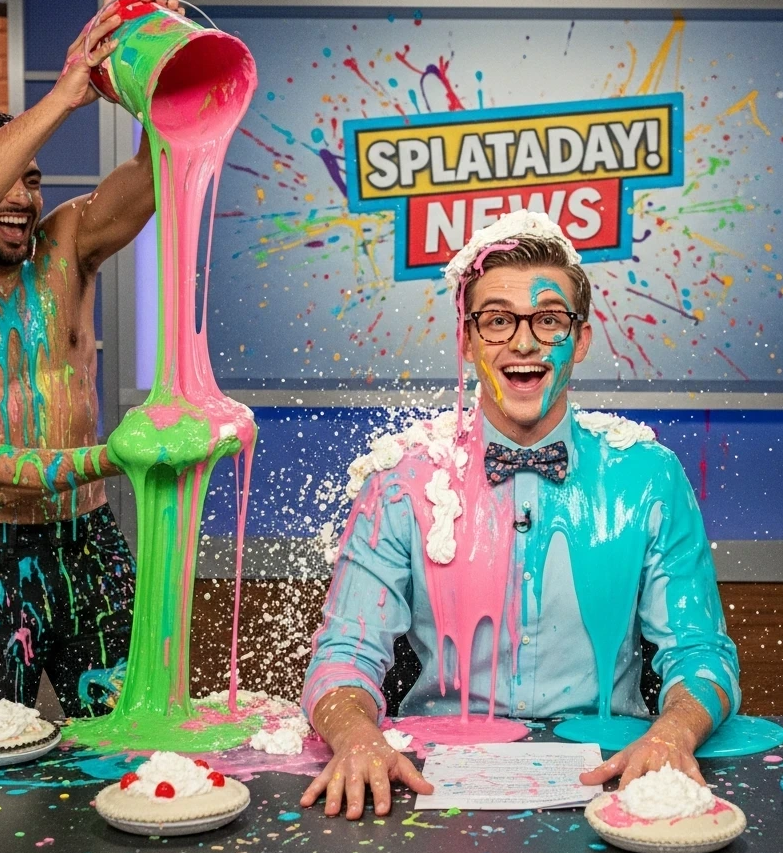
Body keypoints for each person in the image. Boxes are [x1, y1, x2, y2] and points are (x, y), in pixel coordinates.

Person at [300, 211, 741, 820]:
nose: (525, 343)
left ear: (580, 339)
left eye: (549, 319)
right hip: (431, 782)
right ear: (467, 340)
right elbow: (344, 653)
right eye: (497, 320)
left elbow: (700, 651)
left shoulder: (650, 476)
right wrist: (355, 735)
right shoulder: (401, 480)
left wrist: (674, 733)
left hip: (616, 775)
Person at [0, 0, 183, 716]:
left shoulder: (67, 245)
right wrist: (64, 95)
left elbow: (159, 169)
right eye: (4, 178)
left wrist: (158, 52)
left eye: (32, 179)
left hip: (91, 545)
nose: (23, 197)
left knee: (133, 738)